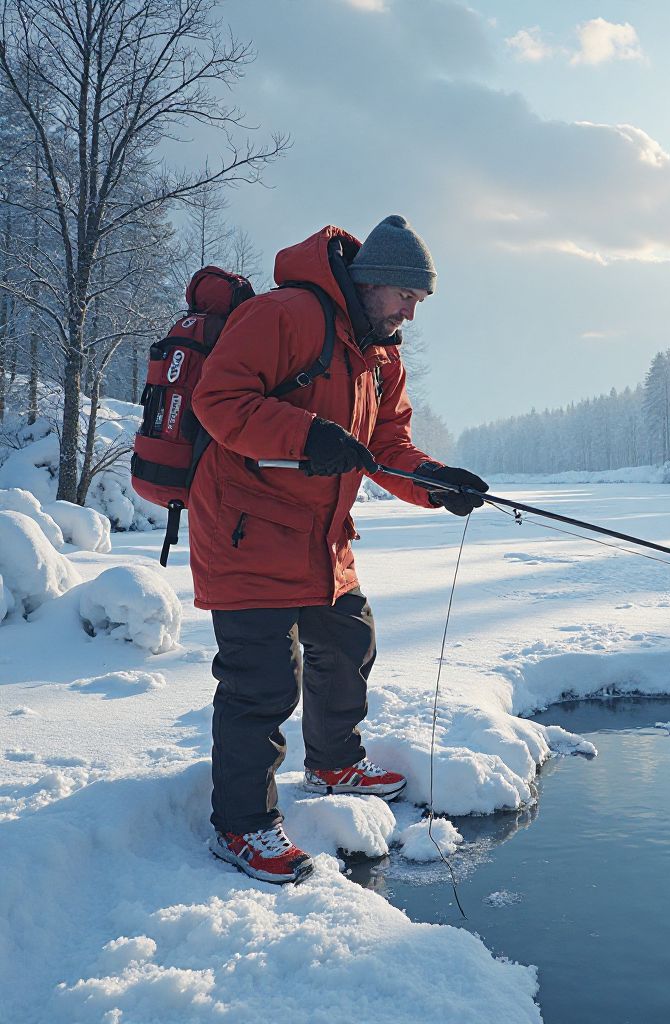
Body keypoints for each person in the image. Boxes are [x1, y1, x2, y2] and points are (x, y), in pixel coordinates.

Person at [187, 216, 488, 884]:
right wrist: (306, 434)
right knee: (259, 686)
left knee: (350, 641)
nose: (412, 312)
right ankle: (242, 828)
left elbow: (388, 451)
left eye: (419, 302)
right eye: (406, 296)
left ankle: (332, 763)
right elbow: (220, 399)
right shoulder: (285, 315)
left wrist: (437, 484)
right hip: (245, 530)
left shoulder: (382, 358)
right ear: (371, 281)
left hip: (320, 540)